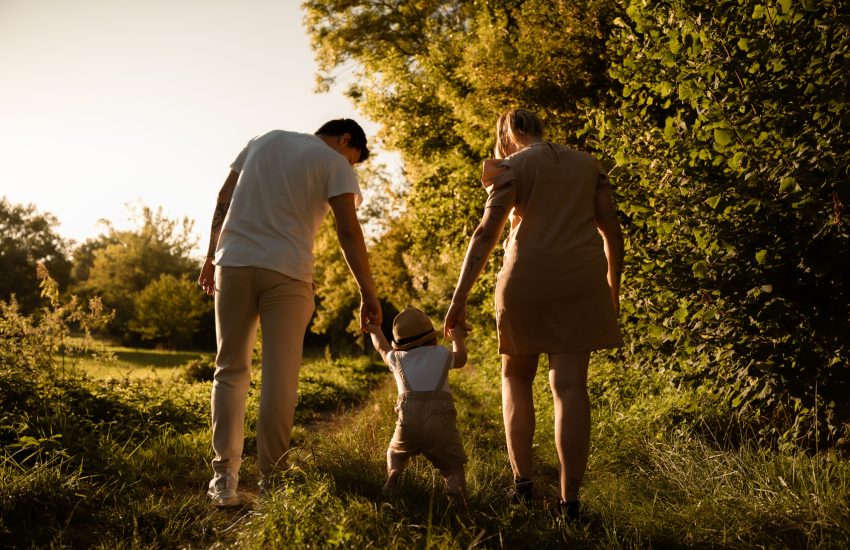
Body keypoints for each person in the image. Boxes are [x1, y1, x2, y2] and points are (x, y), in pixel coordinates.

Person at [444, 108, 624, 519]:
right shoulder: (586, 163)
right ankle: (570, 504)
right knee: (571, 389)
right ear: (542, 128)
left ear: (506, 133)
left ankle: (522, 486)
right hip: (580, 282)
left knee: (515, 378)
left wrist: (459, 298)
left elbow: (486, 233)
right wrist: (612, 286)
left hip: (525, 282)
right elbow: (611, 229)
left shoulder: (511, 166)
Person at [197, 119, 382, 507]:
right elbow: (348, 232)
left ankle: (224, 482)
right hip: (289, 272)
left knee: (229, 370)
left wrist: (210, 256)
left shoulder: (261, 140)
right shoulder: (334, 165)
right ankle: (272, 483)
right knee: (280, 379)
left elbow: (223, 199)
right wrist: (368, 292)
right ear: (346, 140)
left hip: (235, 262)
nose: (352, 166)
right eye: (355, 158)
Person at [364, 306, 469, 503]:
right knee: (452, 466)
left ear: (400, 345)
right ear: (433, 339)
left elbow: (381, 347)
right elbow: (461, 359)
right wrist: (457, 338)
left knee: (395, 453)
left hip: (409, 420)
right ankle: (457, 498)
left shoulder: (396, 358)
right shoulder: (442, 354)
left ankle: (394, 473)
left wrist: (375, 329)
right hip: (440, 423)